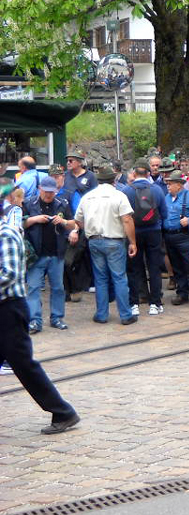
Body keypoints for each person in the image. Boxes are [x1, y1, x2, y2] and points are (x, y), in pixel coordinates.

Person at [0, 188, 81, 434]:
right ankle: (63, 411)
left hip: (9, 310)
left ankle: (64, 412)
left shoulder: (6, 235)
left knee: (24, 365)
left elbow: (9, 274)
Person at [73, 165, 139, 325]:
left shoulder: (87, 197)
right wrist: (133, 242)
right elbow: (127, 219)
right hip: (114, 241)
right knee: (119, 278)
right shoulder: (119, 196)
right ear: (114, 180)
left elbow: (78, 220)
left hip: (94, 240)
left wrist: (89, 229)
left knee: (100, 278)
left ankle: (102, 314)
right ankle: (125, 314)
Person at [23, 176, 77, 333]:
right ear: (40, 189)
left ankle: (57, 318)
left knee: (58, 288)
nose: (48, 195)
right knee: (33, 288)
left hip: (56, 253)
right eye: (45, 192)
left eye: (51, 192)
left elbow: (73, 224)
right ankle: (34, 321)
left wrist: (64, 222)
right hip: (36, 254)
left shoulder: (62, 204)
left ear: (56, 191)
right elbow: (21, 223)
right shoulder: (28, 203)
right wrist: (34, 219)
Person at [124, 160, 169, 316]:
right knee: (154, 268)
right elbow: (165, 213)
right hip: (154, 232)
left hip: (134, 233)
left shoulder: (126, 191)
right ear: (149, 174)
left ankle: (134, 303)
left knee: (134, 269)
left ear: (134, 174)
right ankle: (155, 304)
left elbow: (124, 216)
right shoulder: (156, 190)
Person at [162, 170, 189, 306]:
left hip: (185, 236)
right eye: (167, 184)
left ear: (179, 185)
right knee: (177, 267)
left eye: (170, 184)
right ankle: (182, 294)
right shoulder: (167, 198)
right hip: (170, 236)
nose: (168, 186)